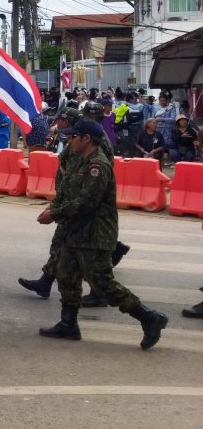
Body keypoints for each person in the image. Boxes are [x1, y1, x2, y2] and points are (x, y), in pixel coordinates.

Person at [36, 119, 168, 349]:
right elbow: (66, 190)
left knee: (103, 284)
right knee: (66, 276)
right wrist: (53, 206)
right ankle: (68, 324)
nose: (70, 140)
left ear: (86, 139)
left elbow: (86, 203)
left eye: (74, 136)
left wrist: (54, 214)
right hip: (76, 232)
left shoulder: (98, 166)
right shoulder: (79, 161)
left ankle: (149, 317)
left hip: (95, 235)